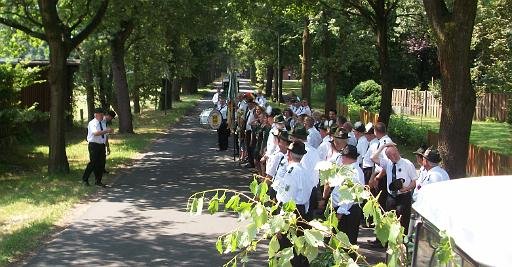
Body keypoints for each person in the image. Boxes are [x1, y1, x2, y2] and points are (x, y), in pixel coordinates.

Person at [371, 143, 417, 234]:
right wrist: (384, 146)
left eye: (395, 154)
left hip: (403, 196)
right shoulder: (387, 163)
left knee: (402, 223)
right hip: (391, 196)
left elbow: (414, 182)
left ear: (398, 152)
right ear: (387, 157)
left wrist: (406, 188)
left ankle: (402, 243)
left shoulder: (407, 164)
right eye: (390, 155)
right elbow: (373, 158)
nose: (394, 157)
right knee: (389, 220)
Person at [331, 145, 365, 246]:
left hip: (347, 211)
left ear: (346, 157)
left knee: (346, 243)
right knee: (341, 242)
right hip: (345, 209)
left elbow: (349, 195)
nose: (341, 159)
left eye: (342, 156)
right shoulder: (350, 169)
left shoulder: (352, 172)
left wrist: (340, 212)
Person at [82, 108, 113, 188]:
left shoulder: (103, 123)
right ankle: (85, 179)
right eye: (100, 115)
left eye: (103, 114)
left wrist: (107, 146)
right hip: (94, 145)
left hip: (101, 145)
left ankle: (98, 181)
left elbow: (105, 136)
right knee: (93, 163)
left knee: (101, 163)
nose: (102, 116)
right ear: (96, 115)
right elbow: (95, 133)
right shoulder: (92, 123)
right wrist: (107, 131)